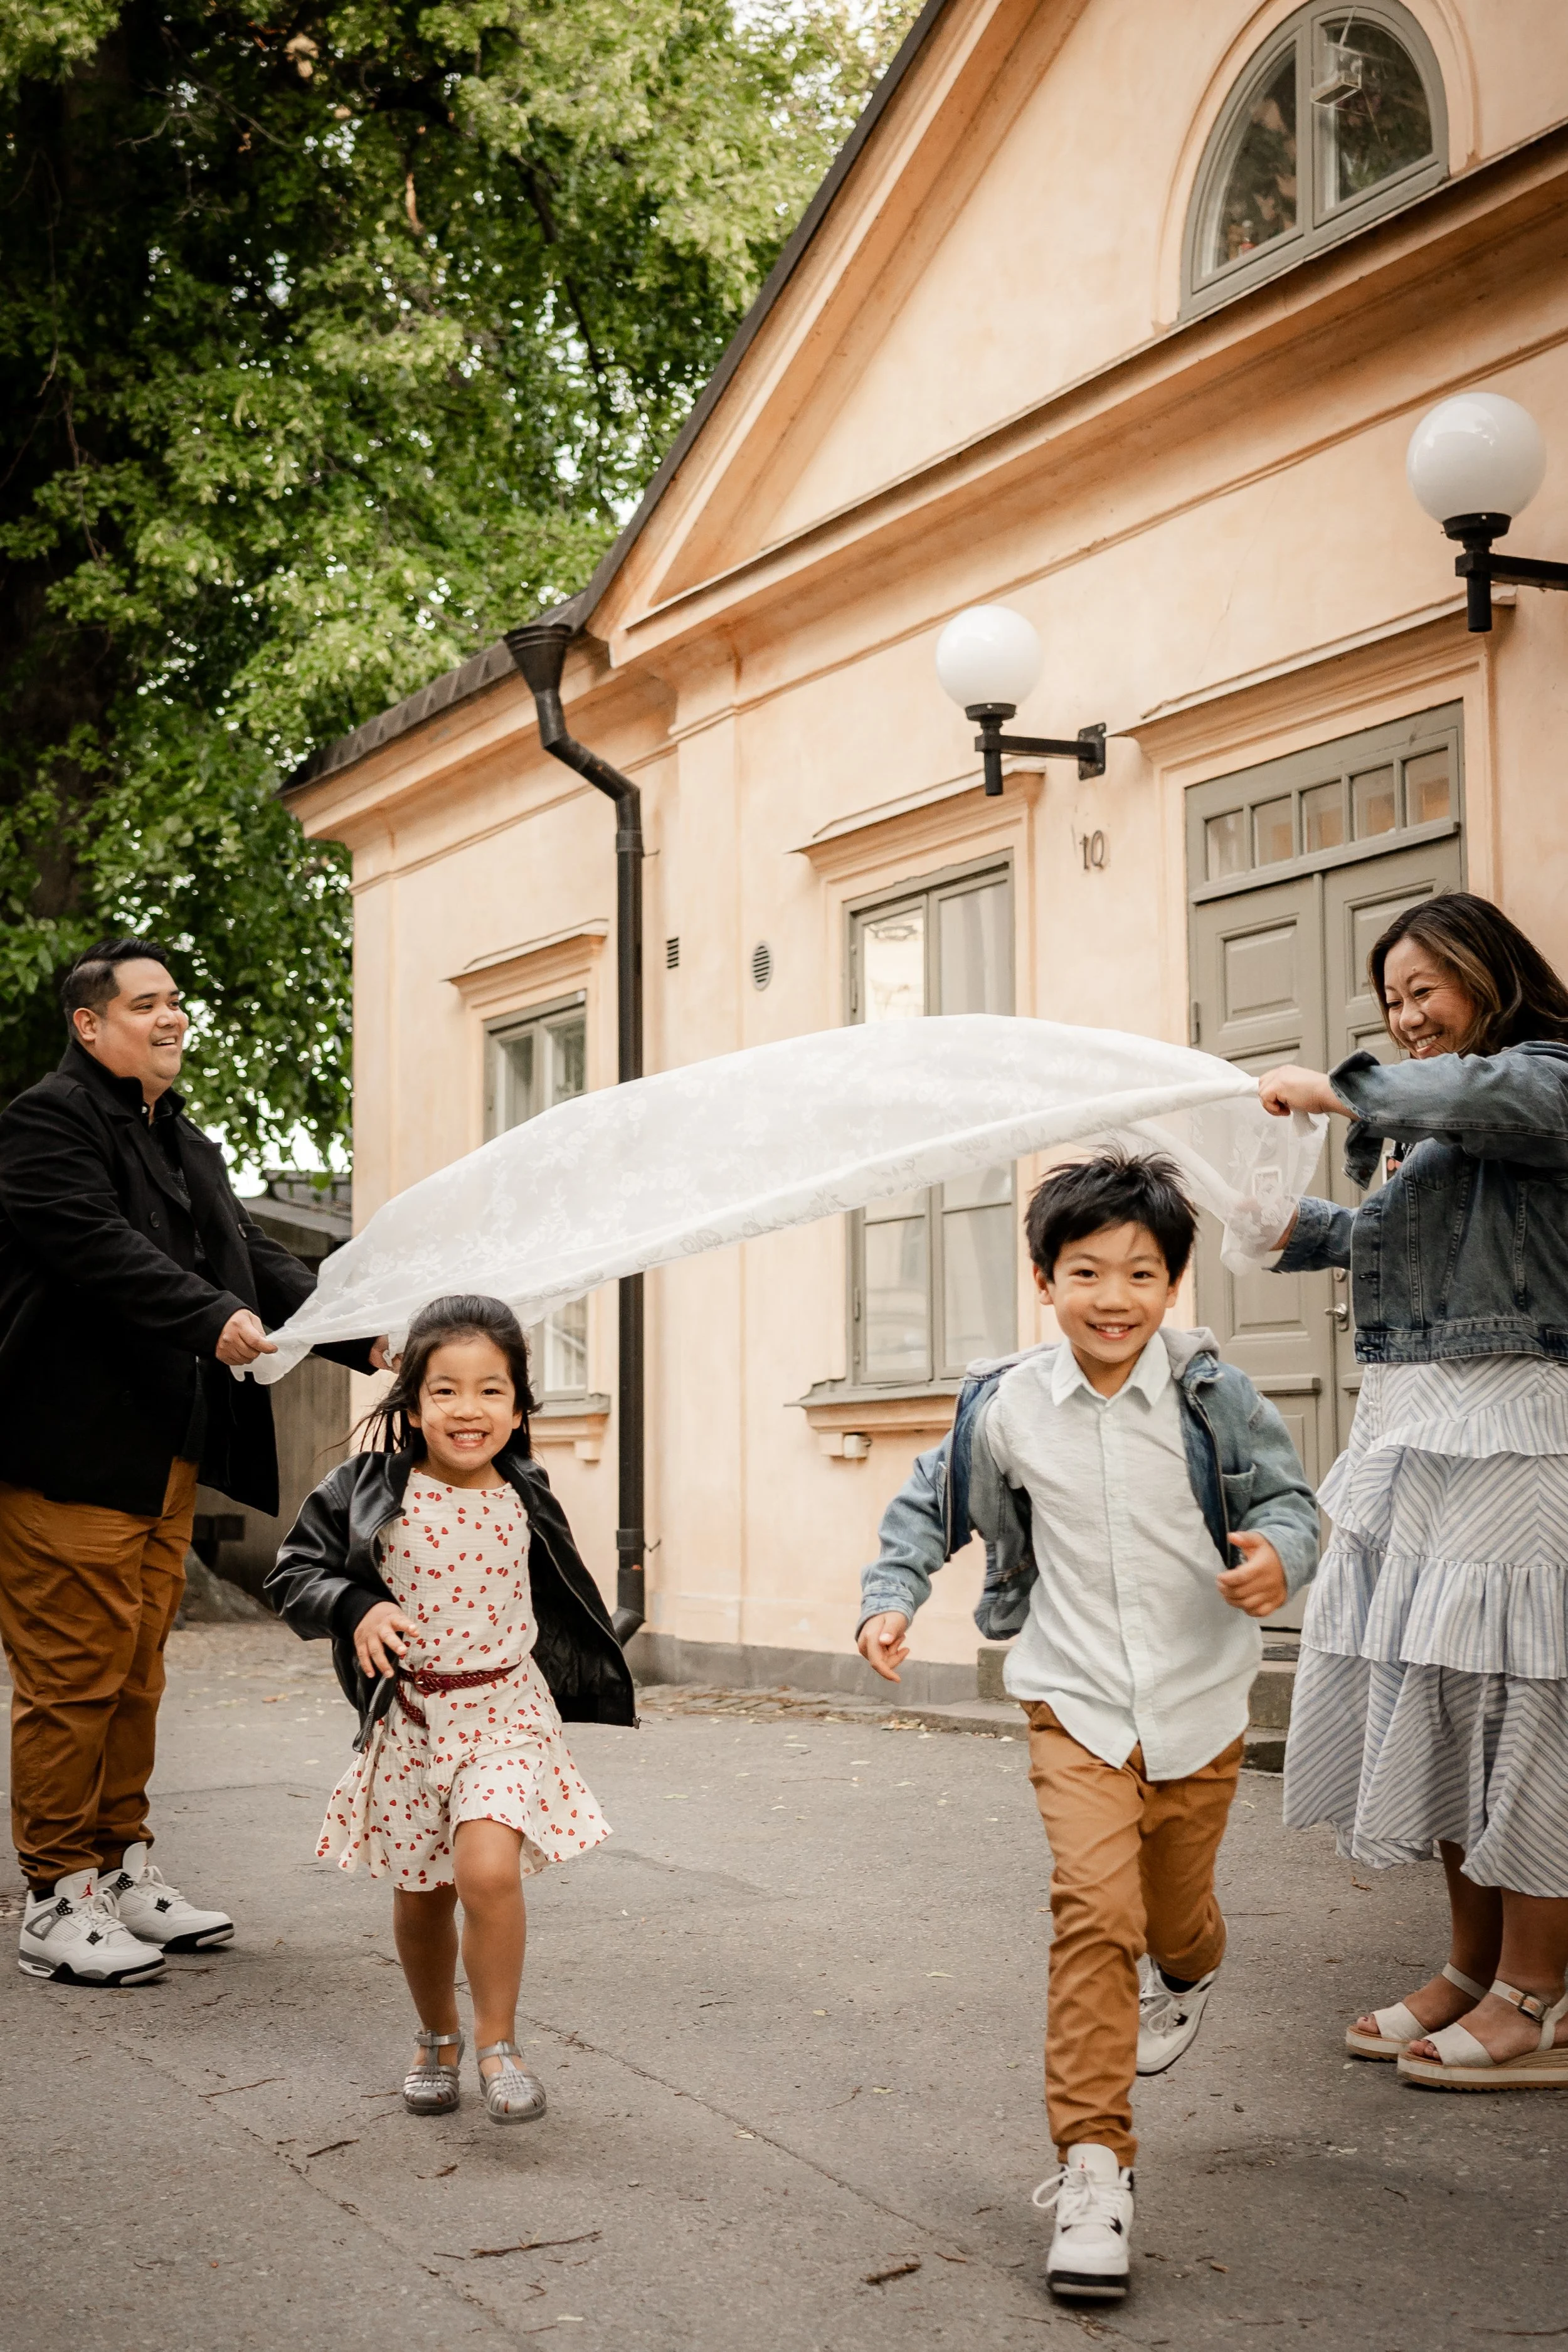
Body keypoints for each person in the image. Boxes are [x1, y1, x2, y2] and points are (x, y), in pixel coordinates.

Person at [856, 1151, 1317, 2302]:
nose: (1115, 1296)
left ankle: (1191, 1964)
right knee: (1095, 1913)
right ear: (1044, 1280)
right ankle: (1094, 2167)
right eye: (1088, 1271)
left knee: (1173, 1917)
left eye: (1142, 1272)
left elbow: (1288, 1499)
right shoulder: (1007, 1404)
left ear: (1174, 1283)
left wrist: (1280, 1555)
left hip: (1201, 1699)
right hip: (1075, 1700)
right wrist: (891, 1594)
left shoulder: (1214, 1395)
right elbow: (928, 1503)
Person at [0, 936, 384, 1987]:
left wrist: (371, 1335)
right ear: (89, 1025)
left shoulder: (186, 1140)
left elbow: (252, 1258)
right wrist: (212, 1314)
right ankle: (56, 1895)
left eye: (176, 999)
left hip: (164, 1454)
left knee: (134, 1673)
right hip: (71, 1452)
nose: (171, 1016)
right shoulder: (47, 1122)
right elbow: (98, 1247)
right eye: (146, 1003)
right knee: (73, 1675)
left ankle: (120, 1869)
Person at [1256, 891, 1568, 2089]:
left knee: (1525, 1703)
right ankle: (1471, 1967)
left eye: (1422, 989)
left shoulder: (1544, 1078)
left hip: (1521, 1428)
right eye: (1390, 1000)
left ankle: (1539, 1992)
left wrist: (1343, 1088)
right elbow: (1404, 1242)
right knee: (1444, 1693)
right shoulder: (1426, 1118)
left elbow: (1494, 1098)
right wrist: (1285, 1224)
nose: (1404, 1017)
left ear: (1489, 974)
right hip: (1422, 1423)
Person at [265, 1293, 635, 2122]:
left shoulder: (527, 1490)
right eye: (446, 1390)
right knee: (422, 1890)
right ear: (413, 1403)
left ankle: (499, 2044)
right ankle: (437, 2035)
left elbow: (562, 1593)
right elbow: (292, 1573)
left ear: (519, 1405)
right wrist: (354, 1606)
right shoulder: (365, 1487)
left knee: (486, 1870)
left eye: (491, 1390)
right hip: (412, 1721)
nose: (469, 1409)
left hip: (506, 1713)